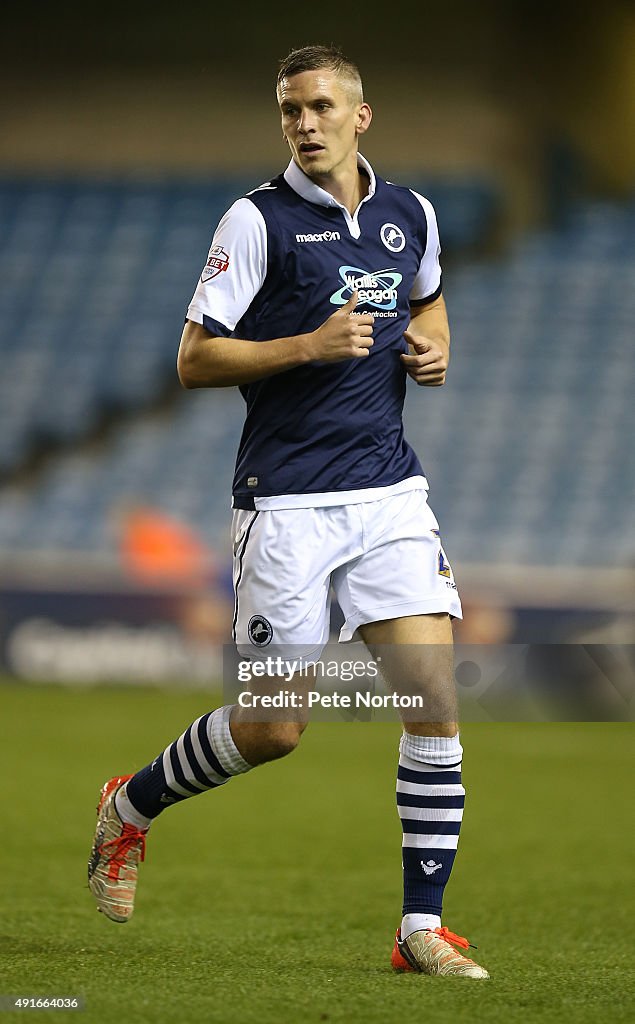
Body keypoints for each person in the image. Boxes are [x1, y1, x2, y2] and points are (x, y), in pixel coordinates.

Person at [88, 44, 489, 980]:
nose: (303, 124)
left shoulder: (410, 213)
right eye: (288, 111)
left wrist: (432, 351)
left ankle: (418, 928)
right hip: (288, 501)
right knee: (274, 729)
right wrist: (307, 344)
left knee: (432, 697)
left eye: (318, 107)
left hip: (388, 490)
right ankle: (129, 806)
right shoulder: (255, 219)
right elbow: (193, 359)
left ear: (360, 117)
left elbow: (427, 307)